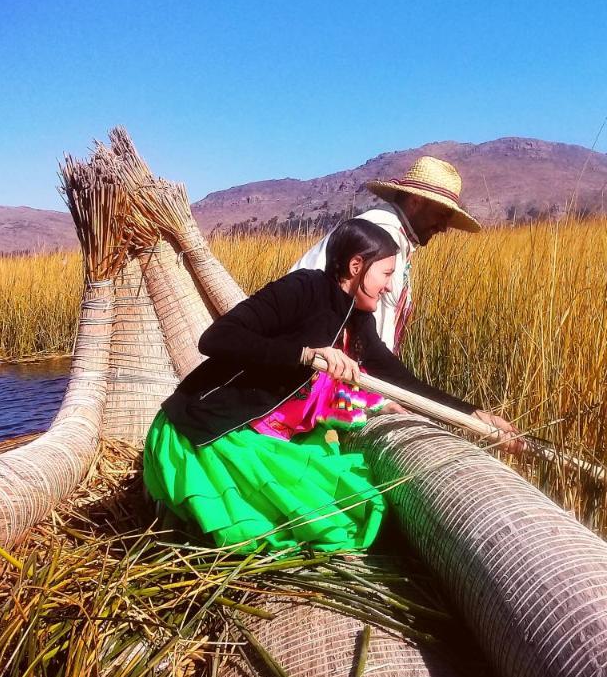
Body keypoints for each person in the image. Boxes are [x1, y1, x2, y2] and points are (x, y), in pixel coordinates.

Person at [143, 218, 520, 553]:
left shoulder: (355, 319)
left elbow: (399, 379)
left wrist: (473, 415)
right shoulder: (302, 290)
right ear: (357, 266)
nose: (389, 287)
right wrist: (305, 354)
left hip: (255, 433)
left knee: (354, 503)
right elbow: (216, 339)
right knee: (333, 522)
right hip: (206, 431)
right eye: (386, 274)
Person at [292, 155, 481, 354]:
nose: (443, 227)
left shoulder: (392, 233)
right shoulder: (383, 238)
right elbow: (375, 340)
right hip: (313, 365)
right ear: (415, 202)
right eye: (441, 214)